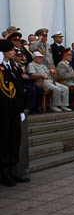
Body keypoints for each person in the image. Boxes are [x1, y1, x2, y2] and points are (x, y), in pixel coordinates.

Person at [0, 39, 30, 186]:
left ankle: (13, 169)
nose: (14, 52)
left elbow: (18, 88)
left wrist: (20, 108)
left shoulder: (14, 66)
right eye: (11, 50)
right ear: (4, 52)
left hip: (14, 109)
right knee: (4, 140)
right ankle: (4, 172)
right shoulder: (1, 68)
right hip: (4, 111)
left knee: (14, 139)